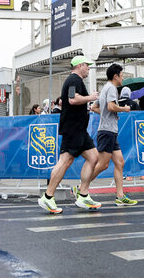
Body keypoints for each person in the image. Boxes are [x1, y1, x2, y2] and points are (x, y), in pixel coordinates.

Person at [37, 55, 101, 214]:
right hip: (73, 128)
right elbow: (72, 100)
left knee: (93, 157)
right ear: (80, 65)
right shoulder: (74, 80)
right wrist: (91, 97)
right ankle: (48, 196)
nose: (88, 69)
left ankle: (83, 195)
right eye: (87, 66)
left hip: (79, 129)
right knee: (65, 161)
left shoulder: (76, 81)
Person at [91, 64, 137, 206]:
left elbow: (94, 107)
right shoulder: (111, 88)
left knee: (120, 162)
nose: (123, 77)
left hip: (110, 130)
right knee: (103, 165)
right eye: (122, 75)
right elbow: (111, 107)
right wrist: (124, 109)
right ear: (115, 76)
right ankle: (81, 187)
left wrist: (108, 116)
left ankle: (120, 196)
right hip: (107, 131)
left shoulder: (105, 87)